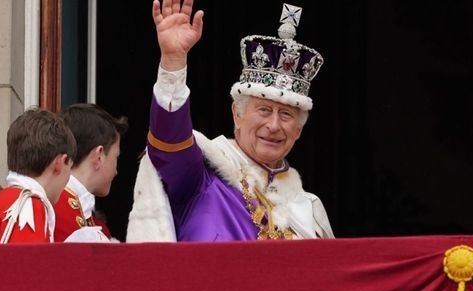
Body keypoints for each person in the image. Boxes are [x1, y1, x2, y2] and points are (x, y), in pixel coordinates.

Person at [126, 1, 332, 242]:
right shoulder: (202, 176)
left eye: (286, 114)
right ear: (237, 114)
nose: (274, 125)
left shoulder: (309, 210)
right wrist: (173, 63)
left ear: (298, 129)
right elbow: (168, 143)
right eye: (264, 110)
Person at [0, 109, 75, 244]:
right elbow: (27, 263)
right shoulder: (28, 205)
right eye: (70, 168)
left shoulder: (5, 200)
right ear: (59, 163)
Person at [55, 103, 128, 243]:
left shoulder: (95, 222)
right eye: (116, 157)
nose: (116, 171)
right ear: (99, 155)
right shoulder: (49, 208)